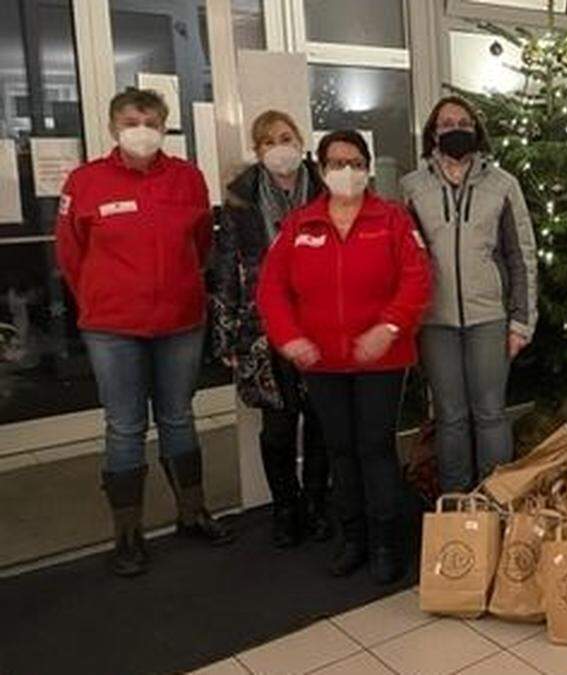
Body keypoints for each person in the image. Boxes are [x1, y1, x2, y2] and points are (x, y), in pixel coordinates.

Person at [55, 88, 233, 577]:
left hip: (179, 321)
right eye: (132, 120)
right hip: (113, 327)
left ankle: (192, 513)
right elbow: (70, 256)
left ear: (164, 126)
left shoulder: (188, 179)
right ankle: (128, 534)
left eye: (152, 120)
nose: (142, 129)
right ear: (114, 127)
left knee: (178, 416)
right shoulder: (86, 181)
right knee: (125, 425)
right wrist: (98, 296)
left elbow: (200, 248)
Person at [257, 130, 431, 584]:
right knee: (339, 450)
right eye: (336, 163)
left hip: (382, 361)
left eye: (355, 162)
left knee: (375, 448)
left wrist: (389, 326)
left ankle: (385, 543)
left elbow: (417, 281)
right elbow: (272, 291)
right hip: (323, 363)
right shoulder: (299, 225)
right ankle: (351, 538)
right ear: (321, 169)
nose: (346, 171)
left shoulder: (393, 219)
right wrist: (289, 338)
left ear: (368, 166)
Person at [399, 96, 537, 494]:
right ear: (433, 132)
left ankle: (496, 501)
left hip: (489, 319)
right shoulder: (412, 187)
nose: (454, 128)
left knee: (491, 414)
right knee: (450, 417)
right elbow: (405, 258)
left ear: (476, 130)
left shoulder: (503, 184)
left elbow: (520, 255)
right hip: (435, 322)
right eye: (446, 123)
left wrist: (521, 321)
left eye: (463, 121)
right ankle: (457, 506)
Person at [211, 110, 329, 548]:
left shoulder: (325, 190)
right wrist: (226, 333)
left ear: (300, 141)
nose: (278, 147)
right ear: (257, 152)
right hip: (264, 328)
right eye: (266, 141)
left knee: (320, 419)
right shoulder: (240, 200)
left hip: (321, 324)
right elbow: (225, 269)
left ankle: (317, 502)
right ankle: (286, 506)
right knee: (278, 426)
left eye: (285, 137)